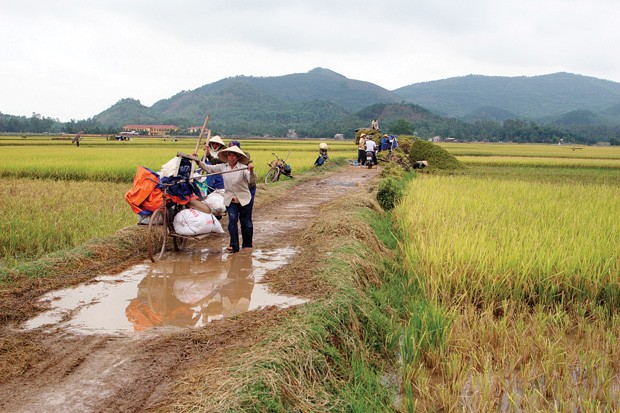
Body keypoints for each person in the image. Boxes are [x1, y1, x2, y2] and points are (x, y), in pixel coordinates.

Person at [194, 146, 257, 253]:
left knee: (246, 222)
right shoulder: (223, 167)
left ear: (237, 157)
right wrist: (198, 162)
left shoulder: (243, 168)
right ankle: (234, 246)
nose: (231, 157)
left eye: (233, 155)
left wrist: (251, 171)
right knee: (232, 221)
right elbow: (209, 169)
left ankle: (247, 244)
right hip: (230, 198)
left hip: (243, 198)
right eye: (229, 155)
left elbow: (251, 179)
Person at [228, 140, 256, 226]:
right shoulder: (228, 159)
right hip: (236, 189)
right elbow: (217, 161)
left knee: (246, 215)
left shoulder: (244, 156)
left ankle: (247, 230)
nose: (231, 156)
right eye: (230, 153)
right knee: (233, 216)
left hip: (248, 188)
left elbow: (246, 160)